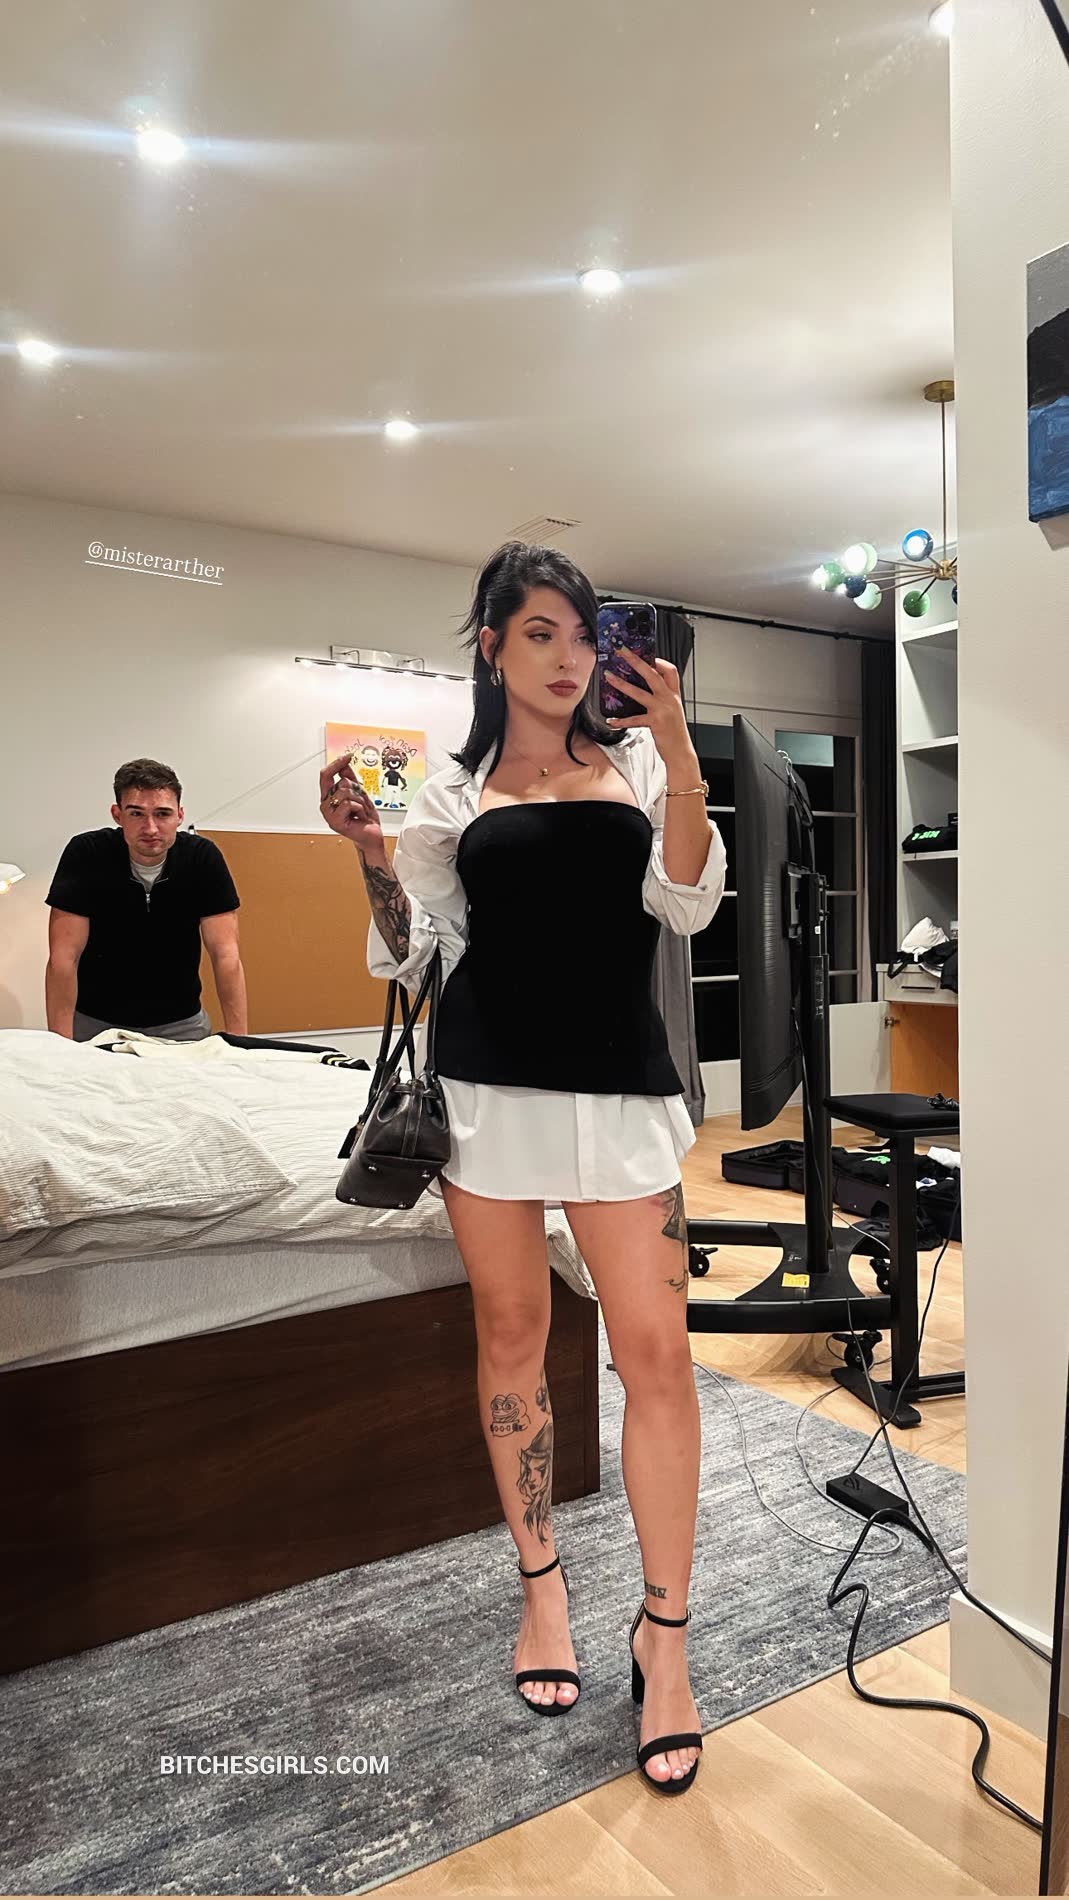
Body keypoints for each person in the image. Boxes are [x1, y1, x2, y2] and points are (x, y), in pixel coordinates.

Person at [319, 543, 726, 1795]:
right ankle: (541, 1590)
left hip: (623, 1096)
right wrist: (369, 851)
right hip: (488, 1096)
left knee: (657, 1355)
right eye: (539, 633)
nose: (567, 657)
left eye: (583, 634)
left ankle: (664, 1637)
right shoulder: (450, 791)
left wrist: (681, 750)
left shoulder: (639, 762)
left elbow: (688, 901)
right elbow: (416, 954)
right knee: (512, 1341)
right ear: (491, 646)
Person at [45, 758, 248, 1042]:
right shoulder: (86, 854)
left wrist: (239, 1041)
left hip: (182, 1025)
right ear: (118, 814)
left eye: (162, 814)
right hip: (94, 1024)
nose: (151, 828)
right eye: (137, 814)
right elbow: (63, 959)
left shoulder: (203, 858)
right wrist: (60, 1046)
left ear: (180, 815)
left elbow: (226, 956)